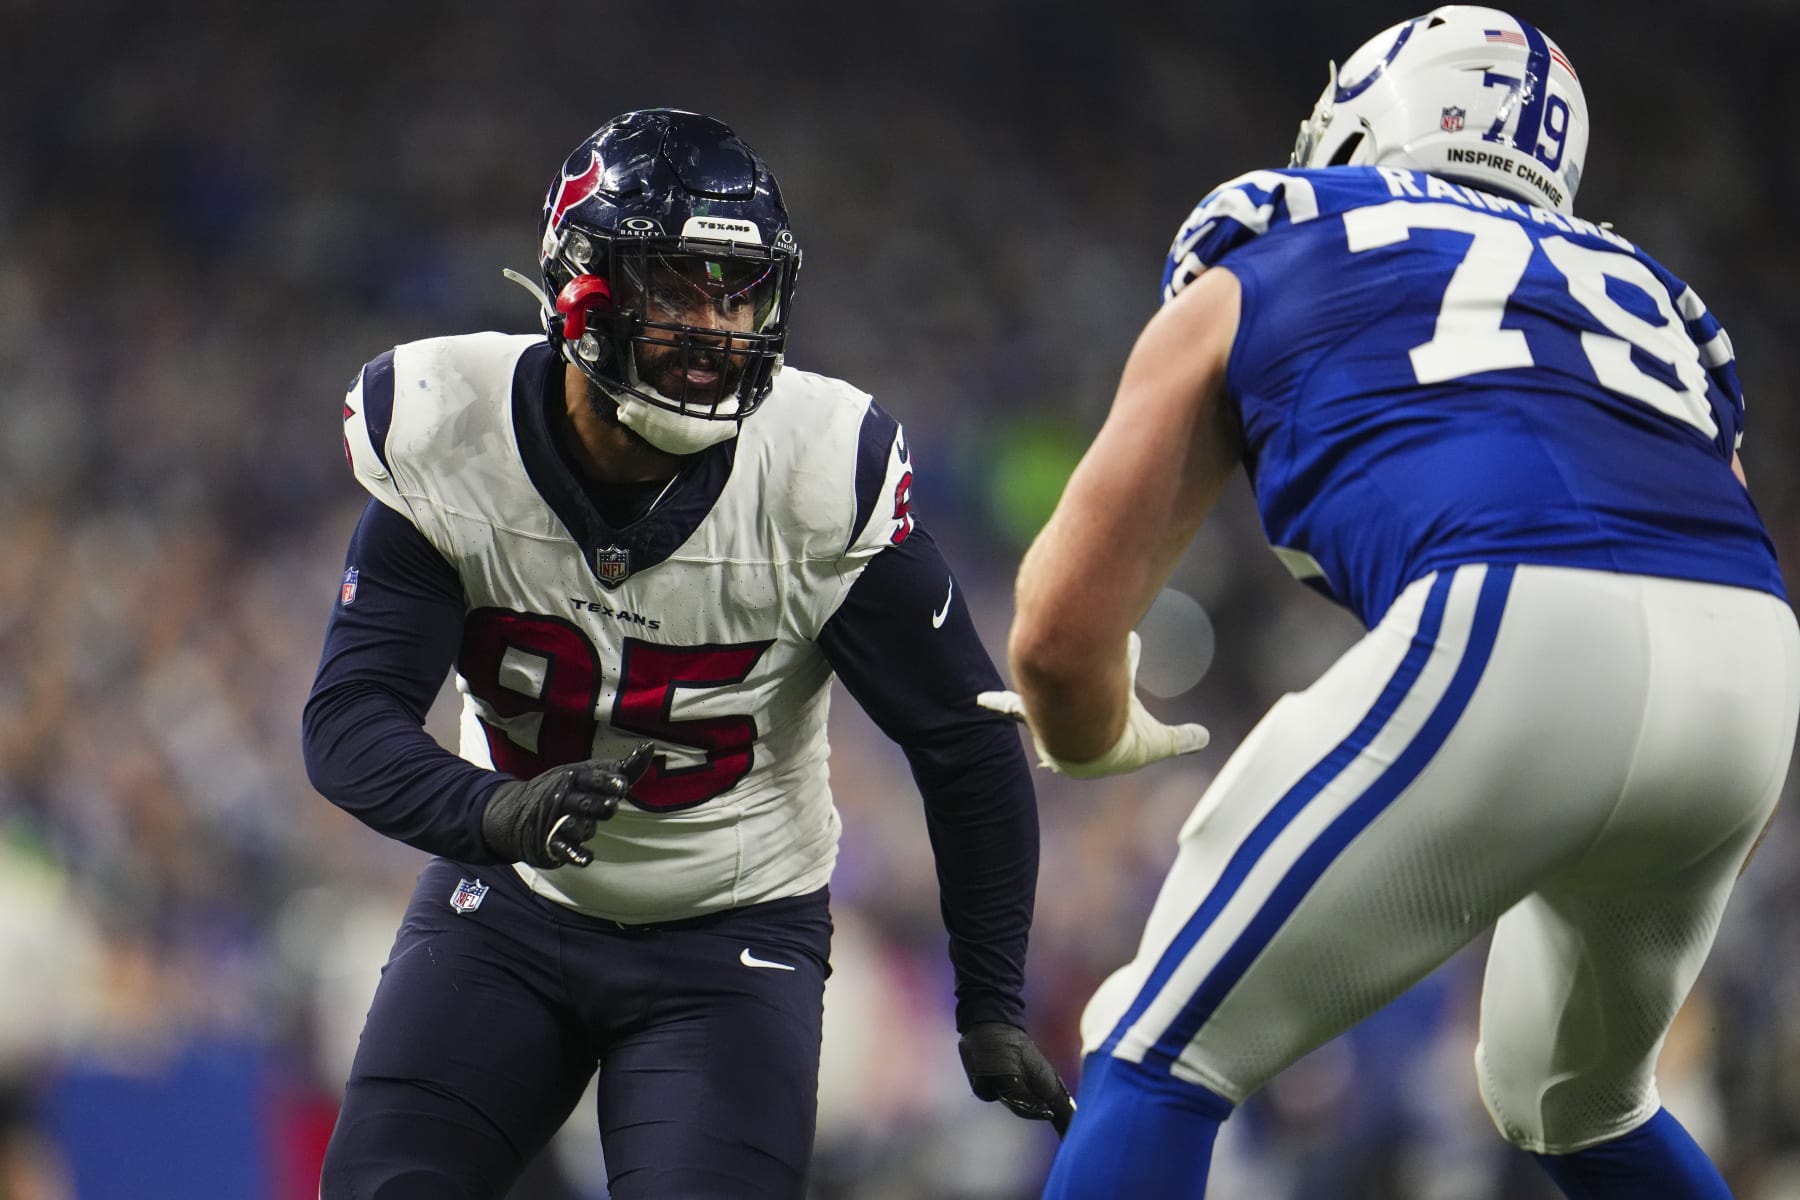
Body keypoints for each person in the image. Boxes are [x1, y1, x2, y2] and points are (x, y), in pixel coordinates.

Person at [985, 7, 1798, 1198]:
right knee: (1581, 1099)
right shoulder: (1654, 300)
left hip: (1516, 611)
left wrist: (1097, 735)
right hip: (1753, 674)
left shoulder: (1277, 245)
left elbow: (1059, 639)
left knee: (1156, 1047)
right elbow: (1712, 532)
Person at [302, 107, 1071, 1200]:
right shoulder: (451, 433)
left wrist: (991, 999)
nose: (715, 328)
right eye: (675, 288)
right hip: (511, 905)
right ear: (581, 284)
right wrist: (494, 814)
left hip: (731, 937)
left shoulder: (814, 471)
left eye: (738, 293)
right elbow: (349, 721)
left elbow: (967, 740)